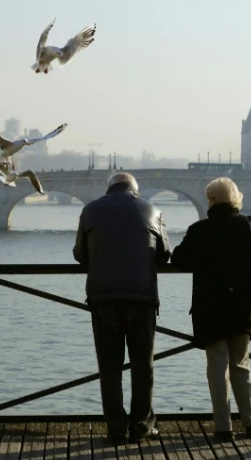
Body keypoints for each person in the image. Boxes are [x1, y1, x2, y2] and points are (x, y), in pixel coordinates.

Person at [171, 177, 251, 441]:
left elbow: (179, 259)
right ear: (236, 198)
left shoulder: (200, 229)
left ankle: (223, 427)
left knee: (217, 367)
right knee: (241, 364)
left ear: (210, 200)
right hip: (243, 305)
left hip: (211, 307)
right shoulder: (250, 226)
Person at [73, 172, 171, 444]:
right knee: (143, 365)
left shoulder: (90, 210)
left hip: (103, 299)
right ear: (134, 190)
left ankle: (115, 428)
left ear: (109, 189)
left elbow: (80, 254)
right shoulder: (152, 209)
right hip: (142, 299)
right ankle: (141, 426)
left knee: (109, 366)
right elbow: (164, 255)